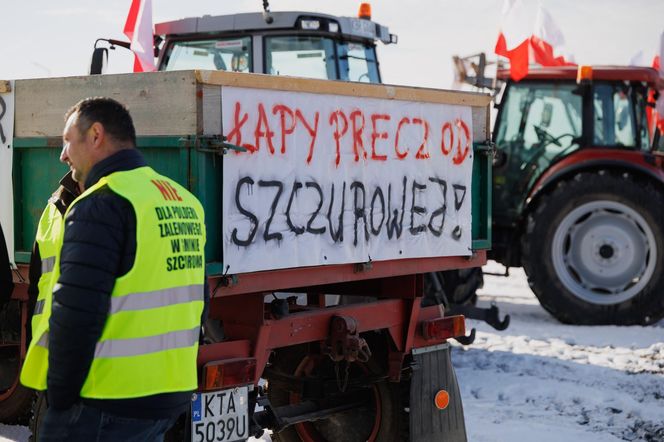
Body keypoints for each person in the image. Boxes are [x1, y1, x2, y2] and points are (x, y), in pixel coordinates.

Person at [20, 97, 208, 441]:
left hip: (104, 401)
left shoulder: (100, 204)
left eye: (67, 140)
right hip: (166, 396)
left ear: (95, 135)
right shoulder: (184, 202)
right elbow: (197, 301)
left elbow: (76, 316)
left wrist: (60, 399)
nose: (63, 154)